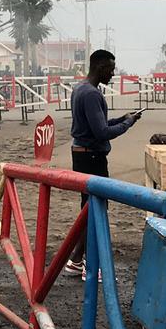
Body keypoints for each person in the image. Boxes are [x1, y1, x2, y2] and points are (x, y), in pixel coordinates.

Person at [63, 49, 141, 278]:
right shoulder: (91, 94)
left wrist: (123, 118)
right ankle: (92, 266)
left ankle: (76, 260)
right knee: (96, 211)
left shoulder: (80, 89)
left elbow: (96, 125)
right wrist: (127, 124)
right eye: (111, 69)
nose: (112, 74)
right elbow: (102, 132)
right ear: (100, 67)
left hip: (82, 154)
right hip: (92, 157)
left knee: (89, 210)